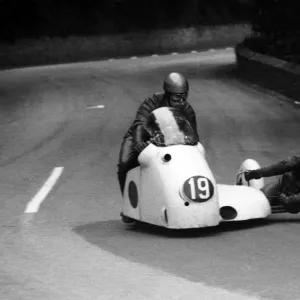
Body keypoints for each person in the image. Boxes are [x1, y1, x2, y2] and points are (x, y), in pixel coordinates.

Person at [117, 72, 198, 196]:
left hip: (171, 139)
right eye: (177, 97)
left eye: (184, 96)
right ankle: (128, 198)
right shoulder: (152, 101)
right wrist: (139, 143)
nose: (181, 101)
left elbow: (194, 136)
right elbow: (139, 123)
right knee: (125, 162)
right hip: (144, 136)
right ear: (167, 94)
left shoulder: (187, 110)